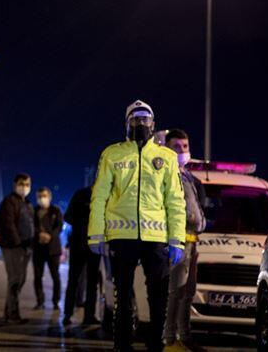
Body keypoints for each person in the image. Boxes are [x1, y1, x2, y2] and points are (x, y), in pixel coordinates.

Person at [88, 100, 186, 352]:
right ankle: (122, 347)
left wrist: (177, 239)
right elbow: (99, 196)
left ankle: (155, 347)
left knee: (158, 300)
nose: (141, 124)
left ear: (153, 124)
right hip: (122, 237)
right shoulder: (112, 154)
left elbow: (175, 200)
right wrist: (95, 235)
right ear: (127, 123)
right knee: (123, 300)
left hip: (156, 239)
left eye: (145, 119)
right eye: (135, 119)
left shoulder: (166, 157)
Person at [163, 129, 206, 351]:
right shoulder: (165, 175)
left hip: (193, 241)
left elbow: (198, 207)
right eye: (176, 147)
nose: (182, 151)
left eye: (185, 146)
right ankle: (170, 338)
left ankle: (184, 335)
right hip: (177, 241)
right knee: (176, 291)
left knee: (188, 292)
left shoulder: (189, 176)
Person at [0, 173, 35, 324]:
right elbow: (9, 225)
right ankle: (13, 314)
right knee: (15, 279)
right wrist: (19, 243)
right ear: (15, 185)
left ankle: (9, 312)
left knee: (21, 279)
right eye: (21, 184)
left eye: (27, 184)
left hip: (26, 247)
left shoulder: (27, 203)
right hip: (13, 246)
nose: (24, 187)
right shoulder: (9, 202)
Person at [62, 186, 101, 326]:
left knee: (85, 281)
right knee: (79, 281)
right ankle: (72, 315)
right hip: (86, 244)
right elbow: (68, 217)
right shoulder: (82, 194)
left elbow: (68, 217)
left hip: (88, 245)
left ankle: (79, 316)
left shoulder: (83, 193)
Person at [32, 187, 63, 310]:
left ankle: (56, 301)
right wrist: (39, 234)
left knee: (55, 276)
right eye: (39, 196)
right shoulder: (33, 211)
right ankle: (40, 301)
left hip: (53, 248)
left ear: (49, 197)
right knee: (37, 276)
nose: (42, 199)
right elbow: (30, 225)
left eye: (44, 196)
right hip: (38, 247)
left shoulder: (56, 210)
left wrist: (50, 235)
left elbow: (59, 226)